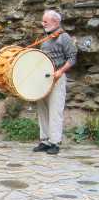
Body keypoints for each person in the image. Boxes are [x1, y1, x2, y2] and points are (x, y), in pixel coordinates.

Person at [33, 10, 77, 155]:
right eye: (42, 21)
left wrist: (60, 71)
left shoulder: (64, 37)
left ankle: (55, 142)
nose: (43, 23)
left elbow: (72, 58)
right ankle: (45, 140)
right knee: (42, 109)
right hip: (42, 78)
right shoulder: (44, 38)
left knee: (55, 110)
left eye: (46, 21)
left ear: (56, 22)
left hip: (57, 77)